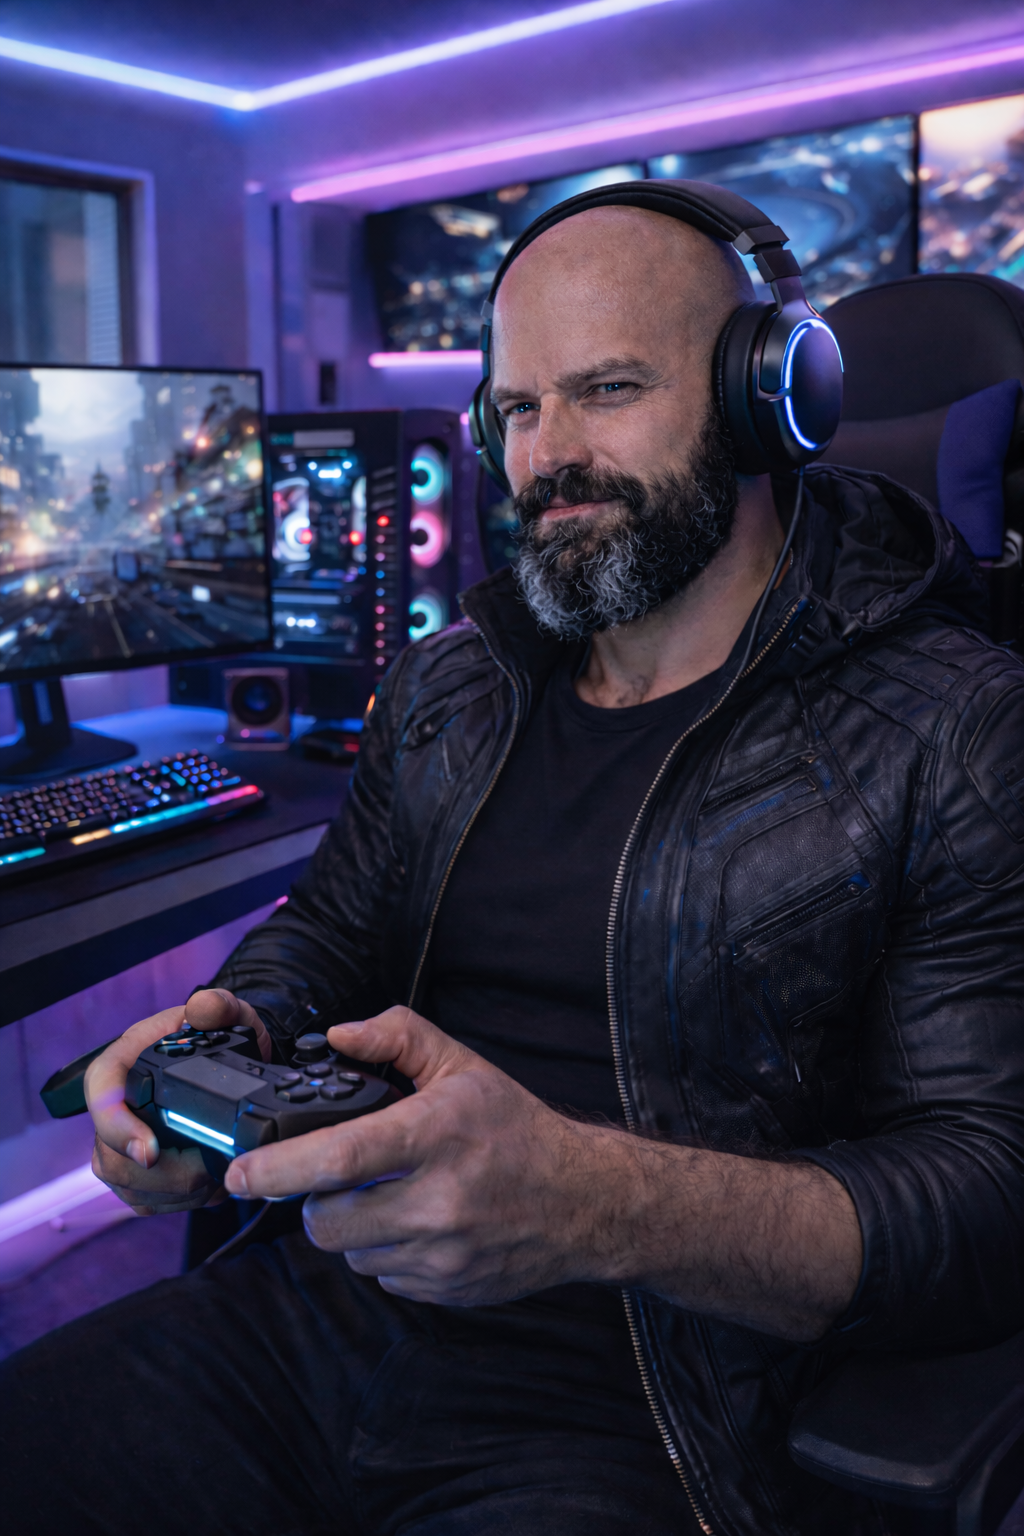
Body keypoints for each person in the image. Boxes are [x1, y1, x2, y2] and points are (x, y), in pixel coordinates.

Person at [3, 186, 1023, 1536]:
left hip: (642, 1407)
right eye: (518, 409)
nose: (549, 458)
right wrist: (236, 1036)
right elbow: (327, 931)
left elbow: (988, 1201)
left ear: (768, 396)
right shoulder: (449, 686)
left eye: (605, 389)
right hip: (306, 1309)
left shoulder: (955, 723)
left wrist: (595, 1207)